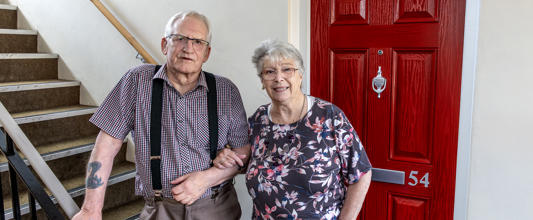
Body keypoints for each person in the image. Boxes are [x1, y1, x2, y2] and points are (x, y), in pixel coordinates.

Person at [72, 11, 250, 220]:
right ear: (165, 45)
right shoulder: (136, 81)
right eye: (179, 38)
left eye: (197, 42)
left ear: (207, 53)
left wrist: (206, 179)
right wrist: (90, 209)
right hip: (160, 210)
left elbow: (244, 156)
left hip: (217, 208)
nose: (188, 48)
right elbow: (106, 146)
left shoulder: (226, 90)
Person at [214, 39, 372, 220]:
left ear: (300, 75)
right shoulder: (258, 120)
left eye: (287, 69)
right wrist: (224, 155)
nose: (278, 78)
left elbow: (361, 173)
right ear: (262, 81)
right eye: (269, 72)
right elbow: (243, 161)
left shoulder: (329, 116)